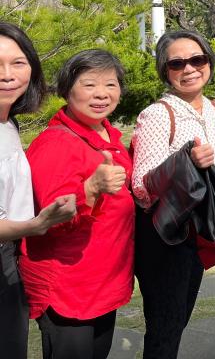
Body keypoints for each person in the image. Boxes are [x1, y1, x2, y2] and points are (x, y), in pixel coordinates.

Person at [20, 49, 134, 359]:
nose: (101, 94)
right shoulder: (56, 143)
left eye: (110, 85)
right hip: (69, 291)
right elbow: (51, 219)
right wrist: (91, 188)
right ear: (67, 90)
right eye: (89, 84)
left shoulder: (108, 134)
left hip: (102, 284)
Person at [131, 30, 215, 359]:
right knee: (164, 327)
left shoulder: (210, 110)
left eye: (197, 60)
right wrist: (185, 162)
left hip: (196, 231)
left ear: (209, 62)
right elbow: (141, 188)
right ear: (165, 71)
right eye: (177, 63)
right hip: (165, 238)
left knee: (178, 320)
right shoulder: (158, 115)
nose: (190, 69)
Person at [0, 22, 77, 359]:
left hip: (10, 258)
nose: (7, 74)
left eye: (18, 63)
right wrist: (34, 225)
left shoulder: (8, 123)